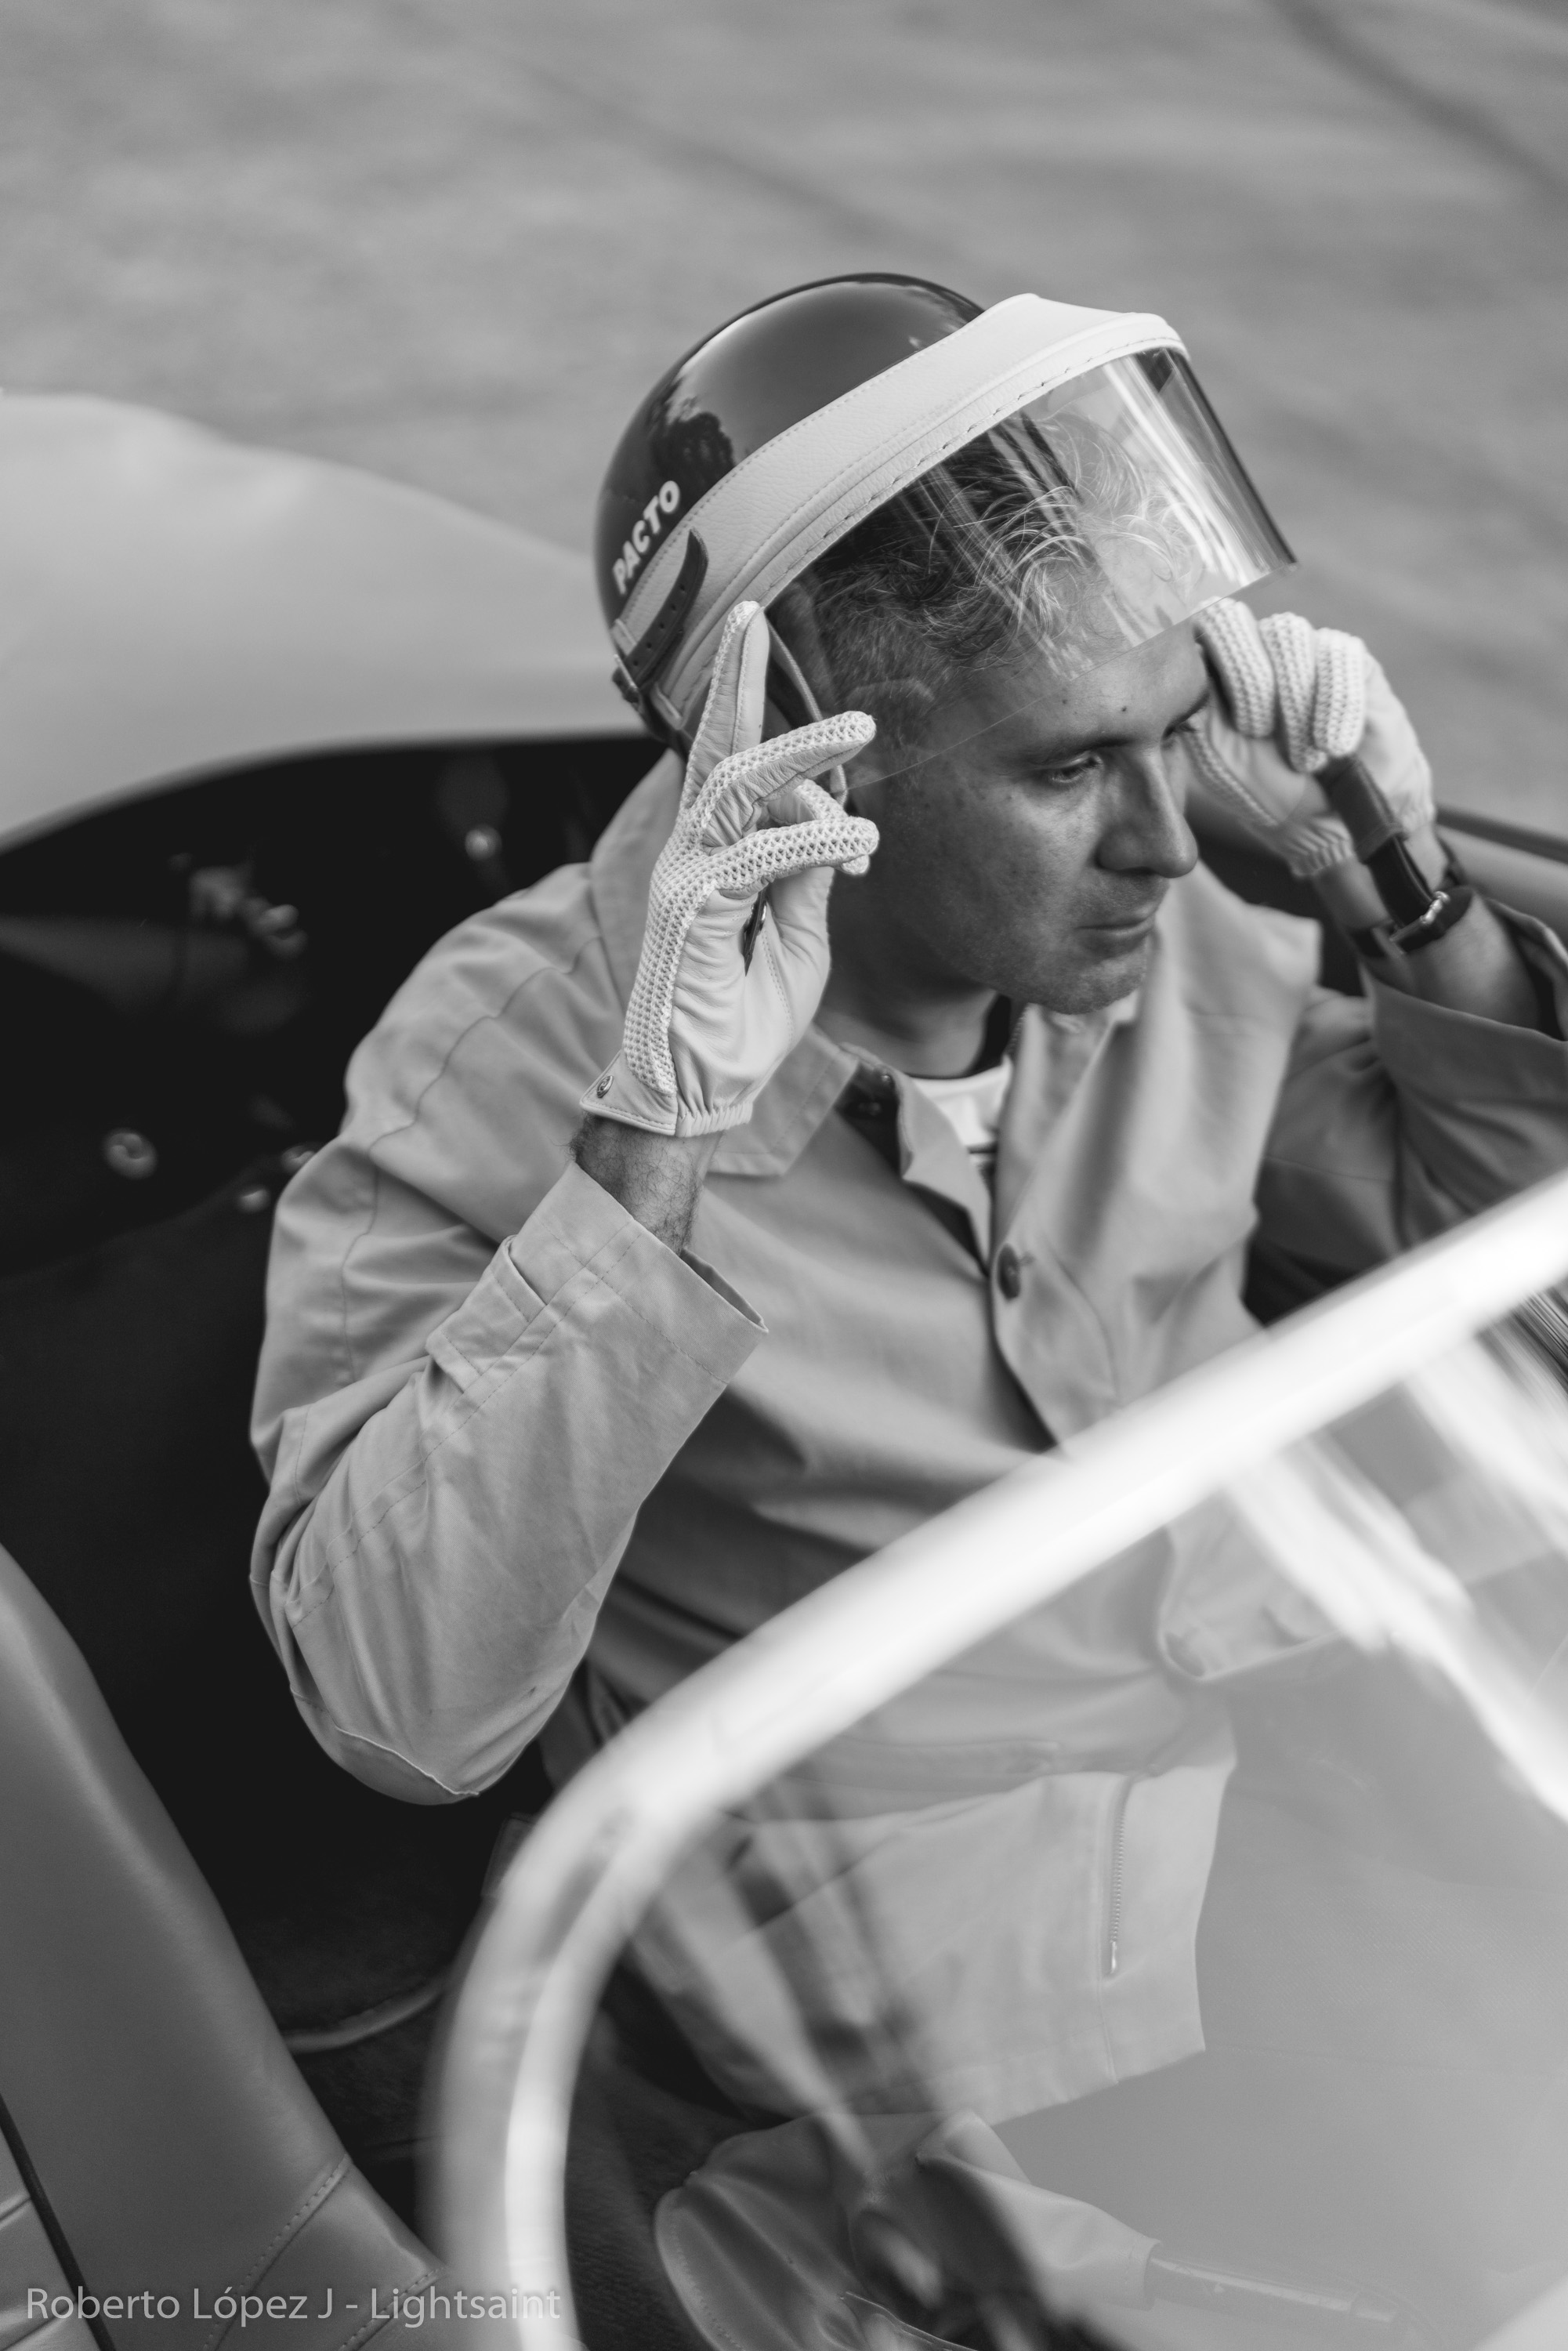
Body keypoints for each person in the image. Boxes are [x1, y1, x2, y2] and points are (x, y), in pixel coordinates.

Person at [251, 274, 1568, 2134]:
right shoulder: (498, 1062)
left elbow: (1513, 1282)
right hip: (937, 1977)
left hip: (1311, 1738)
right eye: (1067, 769)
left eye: (1169, 733)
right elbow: (398, 1706)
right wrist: (655, 1142)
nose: (1166, 841)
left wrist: (1403, 885)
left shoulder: (1158, 932)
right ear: (806, 758)